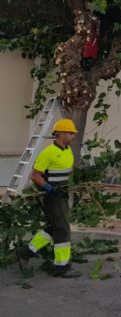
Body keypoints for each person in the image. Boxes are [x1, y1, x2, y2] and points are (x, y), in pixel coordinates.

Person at [15, 118, 81, 278]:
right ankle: (62, 267)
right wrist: (50, 189)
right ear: (60, 133)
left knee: (54, 228)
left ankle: (25, 252)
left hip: (62, 196)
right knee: (63, 230)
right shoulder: (48, 152)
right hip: (52, 198)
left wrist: (72, 190)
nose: (73, 135)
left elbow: (65, 173)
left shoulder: (68, 151)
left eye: (73, 133)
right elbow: (35, 176)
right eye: (70, 132)